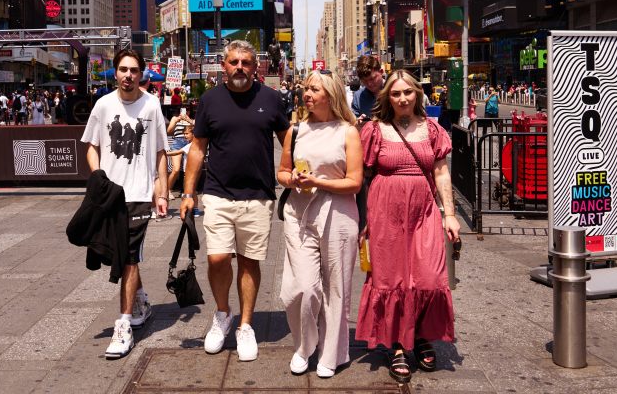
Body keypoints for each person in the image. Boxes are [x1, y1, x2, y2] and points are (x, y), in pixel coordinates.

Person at [180, 41, 290, 362]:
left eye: (245, 62)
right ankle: (223, 314)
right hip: (217, 193)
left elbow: (288, 138)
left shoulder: (270, 99)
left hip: (258, 196)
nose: (239, 67)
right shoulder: (210, 100)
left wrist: (290, 173)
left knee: (249, 261)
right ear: (223, 65)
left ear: (256, 67)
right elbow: (198, 148)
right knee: (217, 259)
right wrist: (188, 193)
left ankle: (245, 325)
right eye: (233, 62)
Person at [357, 70, 460, 384]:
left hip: (425, 209)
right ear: (387, 97)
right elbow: (361, 175)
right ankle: (399, 344)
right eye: (395, 93)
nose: (402, 98)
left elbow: (442, 174)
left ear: (418, 94)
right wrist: (363, 222)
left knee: (427, 276)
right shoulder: (375, 130)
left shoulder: (432, 129)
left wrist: (450, 214)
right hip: (385, 210)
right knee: (393, 278)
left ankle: (419, 334)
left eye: (407, 92)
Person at [81, 49, 170, 359]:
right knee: (121, 251)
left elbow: (160, 151)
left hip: (139, 194)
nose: (128, 75)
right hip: (110, 195)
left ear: (141, 74)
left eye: (134, 70)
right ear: (115, 73)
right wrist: (99, 177)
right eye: (123, 69)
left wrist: (162, 191)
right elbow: (91, 146)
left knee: (129, 257)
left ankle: (124, 324)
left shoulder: (152, 104)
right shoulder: (103, 105)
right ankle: (142, 301)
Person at [276, 70, 363, 378]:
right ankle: (303, 346)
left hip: (339, 213)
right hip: (299, 213)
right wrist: (295, 181)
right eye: (306, 89)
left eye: (314, 89)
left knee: (337, 288)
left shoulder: (348, 132)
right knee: (301, 288)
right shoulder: (295, 130)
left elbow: (354, 182)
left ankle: (332, 353)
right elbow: (282, 173)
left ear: (331, 94)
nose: (307, 94)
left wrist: (319, 182)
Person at [351, 56, 384, 124]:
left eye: (372, 79)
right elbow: (354, 122)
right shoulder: (358, 97)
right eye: (365, 81)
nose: (369, 84)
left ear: (381, 72)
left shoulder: (394, 90)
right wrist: (357, 123)